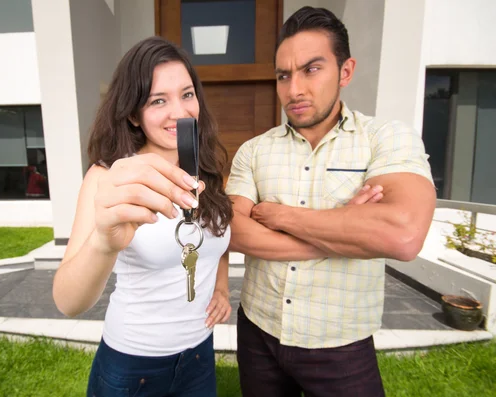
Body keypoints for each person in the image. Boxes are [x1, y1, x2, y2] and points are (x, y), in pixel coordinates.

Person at [225, 6, 436, 397]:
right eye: (283, 75)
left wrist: (280, 216)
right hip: (259, 331)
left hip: (341, 343)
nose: (294, 89)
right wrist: (345, 229)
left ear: (346, 71)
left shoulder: (385, 138)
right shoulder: (253, 151)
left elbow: (402, 234)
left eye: (312, 69)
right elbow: (234, 231)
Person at [52, 36, 233, 397]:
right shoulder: (107, 178)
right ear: (134, 114)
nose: (180, 112)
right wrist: (104, 242)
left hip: (199, 355)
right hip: (133, 364)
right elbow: (68, 302)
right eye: (158, 101)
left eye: (187, 94)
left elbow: (215, 239)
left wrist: (223, 288)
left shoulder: (207, 168)